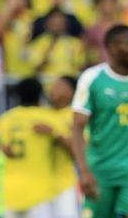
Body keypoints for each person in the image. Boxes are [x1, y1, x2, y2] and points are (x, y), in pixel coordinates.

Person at [72, 24, 128, 218]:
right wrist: (84, 172)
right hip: (101, 171)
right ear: (112, 48)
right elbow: (77, 129)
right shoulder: (92, 78)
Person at [0, 77, 57, 218]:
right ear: (40, 94)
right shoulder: (49, 117)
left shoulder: (6, 118)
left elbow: (5, 149)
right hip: (41, 190)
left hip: (11, 191)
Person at [36, 76, 79, 218]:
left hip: (64, 186)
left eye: (59, 86)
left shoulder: (75, 117)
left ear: (71, 92)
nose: (53, 89)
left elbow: (78, 152)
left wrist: (55, 134)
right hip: (39, 186)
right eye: (53, 85)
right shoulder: (40, 114)